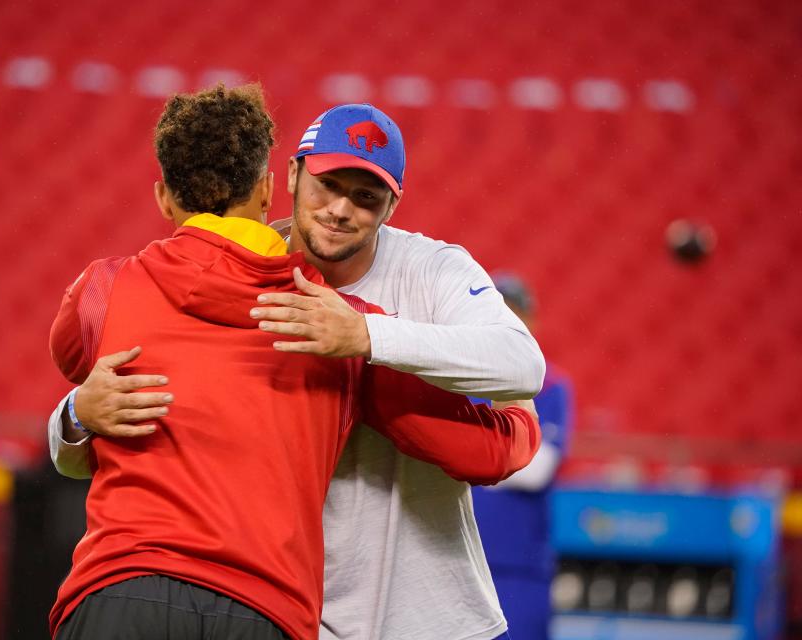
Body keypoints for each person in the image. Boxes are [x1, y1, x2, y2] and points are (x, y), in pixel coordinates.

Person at [47, 86, 541, 640]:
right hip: (280, 606)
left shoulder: (418, 278)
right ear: (284, 178)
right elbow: (488, 447)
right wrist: (74, 413)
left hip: (417, 615)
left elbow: (523, 363)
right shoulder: (307, 309)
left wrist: (366, 335)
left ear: (393, 205)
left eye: (366, 197)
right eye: (328, 185)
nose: (338, 209)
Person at [471, 273, 574, 640]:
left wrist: (462, 454)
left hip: (516, 562)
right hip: (460, 555)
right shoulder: (457, 378)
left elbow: (536, 469)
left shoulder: (548, 384)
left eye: (516, 314)